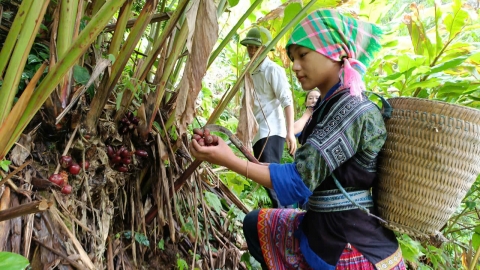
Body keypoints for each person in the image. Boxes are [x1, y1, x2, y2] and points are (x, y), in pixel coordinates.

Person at [191, 9, 405, 270]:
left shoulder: (352, 109)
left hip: (350, 243)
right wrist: (228, 154)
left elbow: (298, 181)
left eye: (303, 55)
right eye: (293, 58)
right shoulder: (330, 105)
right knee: (256, 223)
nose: (294, 66)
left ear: (336, 52)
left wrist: (230, 160)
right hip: (324, 226)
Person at [240, 27, 296, 208]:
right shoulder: (249, 72)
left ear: (265, 49)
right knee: (267, 181)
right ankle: (283, 218)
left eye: (256, 47)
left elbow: (286, 101)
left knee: (272, 180)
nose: (252, 51)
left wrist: (290, 132)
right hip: (258, 132)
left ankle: (286, 219)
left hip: (272, 131)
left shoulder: (273, 70)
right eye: (249, 46)